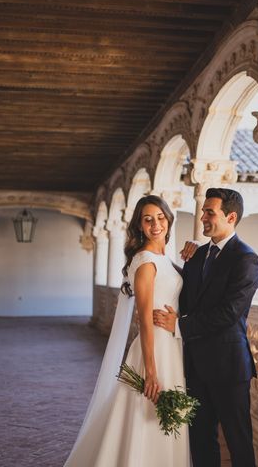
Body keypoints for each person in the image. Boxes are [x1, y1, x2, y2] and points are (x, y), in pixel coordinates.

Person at [65, 195, 189, 467]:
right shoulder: (145, 261)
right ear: (140, 226)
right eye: (148, 219)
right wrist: (151, 372)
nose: (155, 224)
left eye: (159, 217)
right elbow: (144, 320)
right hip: (153, 350)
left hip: (171, 346)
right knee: (145, 418)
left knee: (165, 419)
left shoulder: (163, 258)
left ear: (168, 219)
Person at [154, 188, 258, 467]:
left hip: (229, 367)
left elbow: (229, 313)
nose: (202, 216)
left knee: (239, 444)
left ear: (231, 216)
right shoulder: (198, 255)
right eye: (203, 211)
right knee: (201, 441)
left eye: (209, 212)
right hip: (195, 365)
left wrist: (180, 326)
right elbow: (186, 294)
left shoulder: (247, 259)